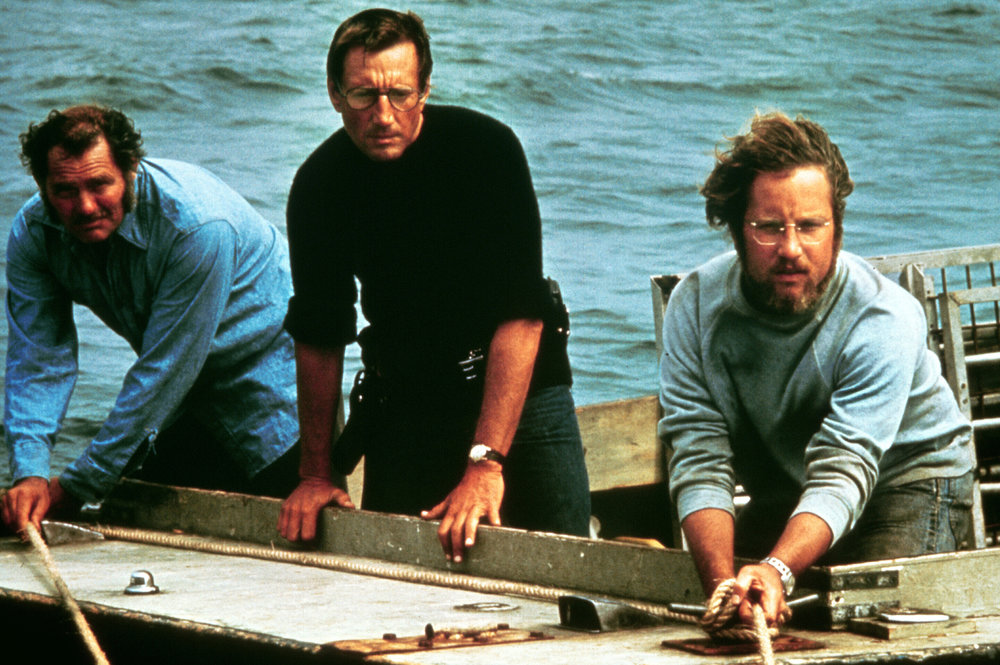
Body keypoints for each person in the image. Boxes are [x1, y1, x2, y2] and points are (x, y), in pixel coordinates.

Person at [277, 8, 591, 562]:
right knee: (395, 580)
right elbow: (321, 334)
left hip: (521, 386)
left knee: (566, 572)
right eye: (362, 95)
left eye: (400, 93)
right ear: (334, 94)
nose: (382, 114)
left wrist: (486, 462)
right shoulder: (319, 185)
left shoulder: (486, 151)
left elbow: (523, 314)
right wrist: (315, 472)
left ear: (425, 89)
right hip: (409, 400)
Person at [658, 112, 975, 629]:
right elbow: (698, 456)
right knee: (740, 610)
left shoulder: (882, 317)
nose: (790, 249)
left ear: (837, 227)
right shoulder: (693, 307)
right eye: (767, 228)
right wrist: (721, 586)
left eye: (809, 226)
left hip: (909, 478)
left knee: (865, 630)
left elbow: (846, 464)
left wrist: (779, 568)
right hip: (793, 484)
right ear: (736, 228)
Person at [2, 105, 301, 534]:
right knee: (136, 530)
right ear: (43, 186)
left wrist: (75, 486)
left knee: (290, 547)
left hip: (275, 391)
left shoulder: (197, 226)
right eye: (64, 190)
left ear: (130, 171)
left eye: (100, 184)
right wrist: (29, 474)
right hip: (184, 397)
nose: (84, 206)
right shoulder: (33, 232)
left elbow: (162, 372)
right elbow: (38, 360)